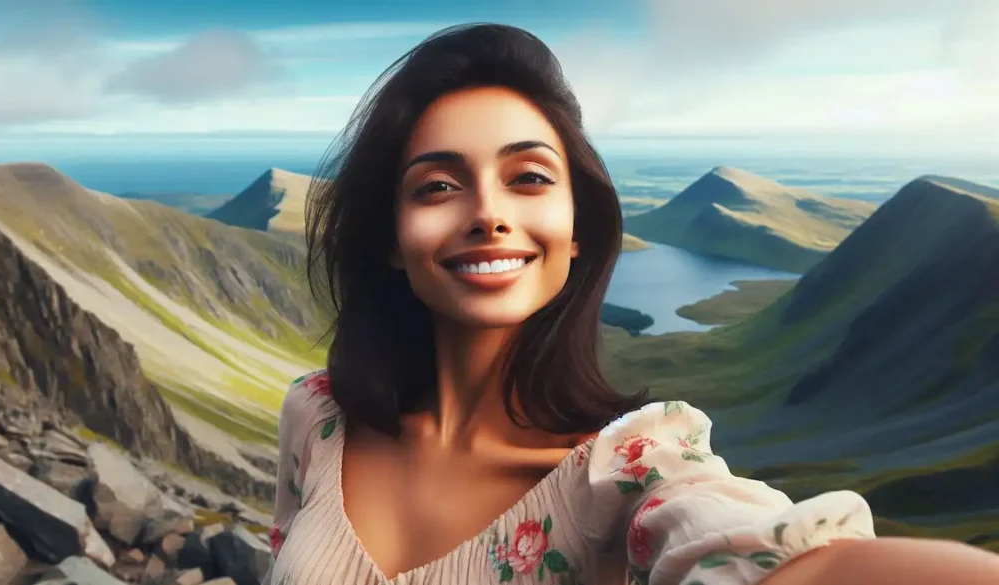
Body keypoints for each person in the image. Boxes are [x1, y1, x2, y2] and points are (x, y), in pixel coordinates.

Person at [264, 22, 999, 585]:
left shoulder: (633, 471)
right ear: (392, 238)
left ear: (578, 229)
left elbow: (788, 560)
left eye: (528, 178)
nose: (487, 212)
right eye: (437, 186)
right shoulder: (318, 418)